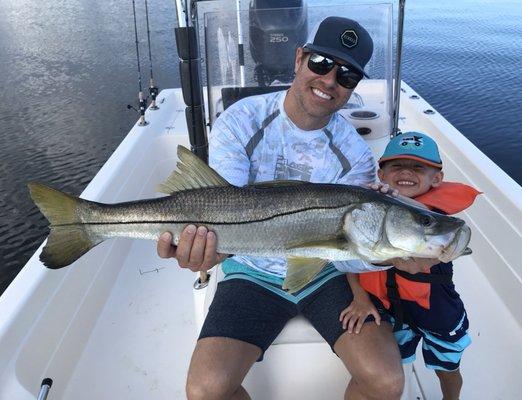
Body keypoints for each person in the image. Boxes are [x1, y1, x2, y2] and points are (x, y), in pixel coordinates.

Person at [157, 16, 435, 400]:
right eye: (321, 64)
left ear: (353, 87)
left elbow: (347, 249)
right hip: (251, 270)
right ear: (299, 58)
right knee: (206, 390)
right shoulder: (241, 120)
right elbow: (226, 208)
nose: (329, 81)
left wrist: (387, 258)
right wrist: (205, 250)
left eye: (347, 76)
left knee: (386, 381)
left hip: (324, 272)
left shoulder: (355, 155)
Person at [340, 132, 481, 400]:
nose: (406, 172)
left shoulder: (437, 223)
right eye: (397, 166)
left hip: (437, 311)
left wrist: (390, 205)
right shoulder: (368, 208)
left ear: (436, 178)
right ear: (381, 173)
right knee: (392, 362)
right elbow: (349, 253)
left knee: (448, 369)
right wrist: (359, 296)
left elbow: (416, 263)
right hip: (388, 308)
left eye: (418, 167)